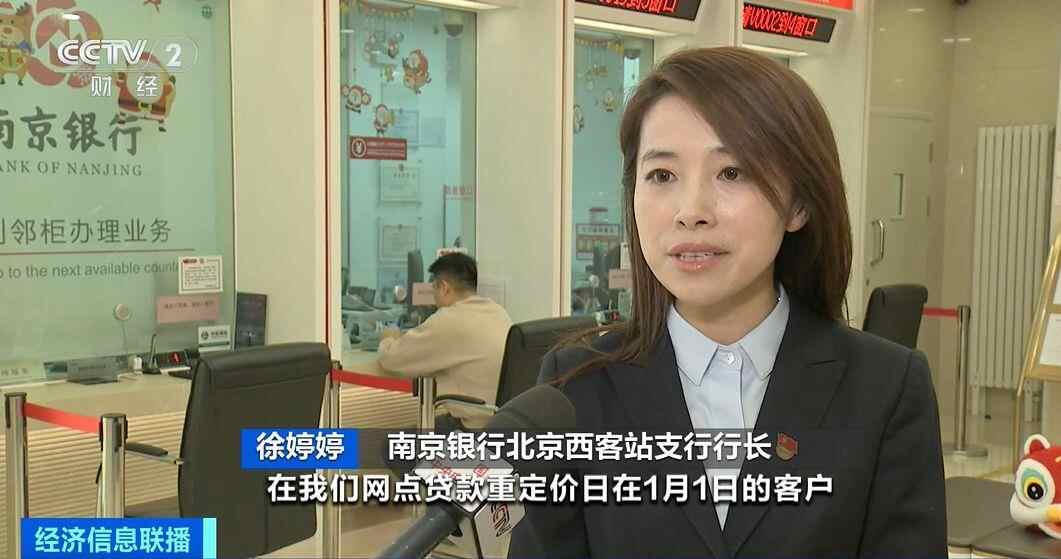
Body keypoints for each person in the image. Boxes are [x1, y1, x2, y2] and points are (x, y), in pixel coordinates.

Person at [507, 47, 946, 558]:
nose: (691, 211)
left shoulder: (887, 388)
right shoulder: (573, 386)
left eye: (732, 172)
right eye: (662, 175)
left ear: (799, 204)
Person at [377, 252, 512, 430]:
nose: (433, 298)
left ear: (444, 287)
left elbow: (391, 360)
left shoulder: (449, 319)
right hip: (503, 422)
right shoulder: (497, 311)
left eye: (433, 289)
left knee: (387, 442)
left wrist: (388, 337)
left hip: (472, 428)